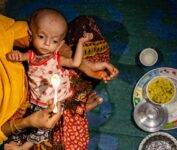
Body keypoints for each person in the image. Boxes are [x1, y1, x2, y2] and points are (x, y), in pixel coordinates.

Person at [0, 13, 119, 150]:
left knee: (86, 28)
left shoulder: (55, 57)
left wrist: (87, 61)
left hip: (63, 96)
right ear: (32, 35)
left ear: (60, 44)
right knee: (45, 132)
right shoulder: (32, 56)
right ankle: (25, 145)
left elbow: (75, 62)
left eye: (54, 41)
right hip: (35, 106)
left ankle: (77, 109)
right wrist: (27, 122)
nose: (47, 43)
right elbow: (22, 55)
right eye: (41, 37)